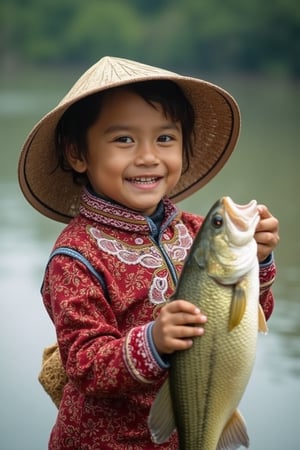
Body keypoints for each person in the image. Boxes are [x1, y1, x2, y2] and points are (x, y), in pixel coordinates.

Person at [18, 56, 279, 450]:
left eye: (165, 138)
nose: (148, 156)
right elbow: (85, 365)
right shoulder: (75, 256)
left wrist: (256, 260)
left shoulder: (194, 231)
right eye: (124, 139)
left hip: (188, 431)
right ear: (78, 154)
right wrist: (154, 340)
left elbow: (244, 322)